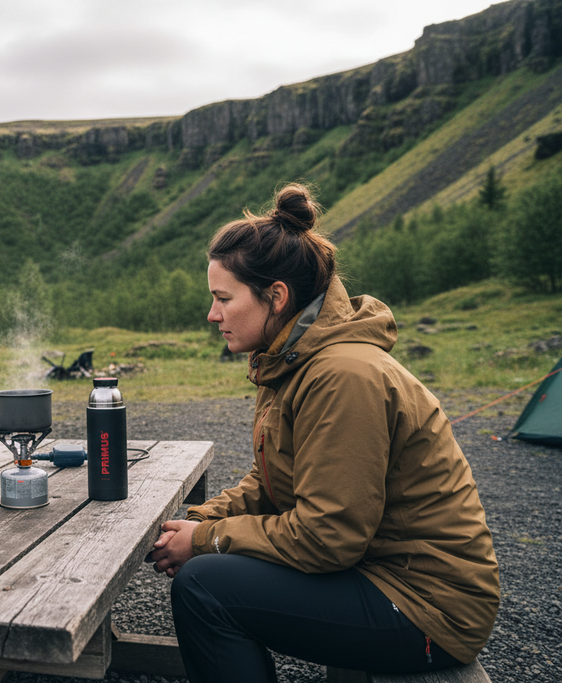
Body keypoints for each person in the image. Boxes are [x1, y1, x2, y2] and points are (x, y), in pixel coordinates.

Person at [146, 184, 499, 682]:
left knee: (205, 587)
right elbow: (273, 481)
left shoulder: (342, 376)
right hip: (381, 572)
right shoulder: (293, 360)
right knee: (210, 574)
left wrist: (205, 541)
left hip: (428, 607)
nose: (213, 314)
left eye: (223, 298)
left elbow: (327, 537)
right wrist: (202, 520)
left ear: (276, 296)